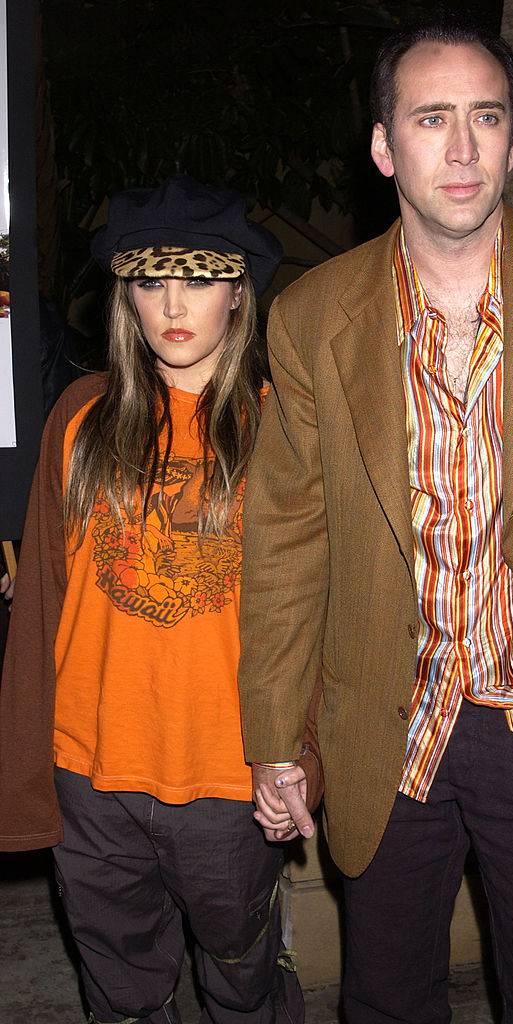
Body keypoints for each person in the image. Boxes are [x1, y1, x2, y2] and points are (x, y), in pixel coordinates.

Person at [237, 15, 513, 1024]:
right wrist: (276, 736)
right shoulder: (312, 315)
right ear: (381, 143)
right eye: (429, 117)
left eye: (483, 118)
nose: (458, 148)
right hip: (381, 726)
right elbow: (285, 540)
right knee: (384, 1000)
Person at [0, 175, 322, 1024]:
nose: (173, 304)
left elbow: (313, 622)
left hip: (228, 777)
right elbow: (42, 607)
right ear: (124, 295)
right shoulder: (78, 418)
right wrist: (27, 769)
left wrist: (304, 756)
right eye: (150, 280)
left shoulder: (282, 429)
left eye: (199, 277)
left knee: (243, 981)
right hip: (90, 778)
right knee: (123, 995)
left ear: (238, 292)